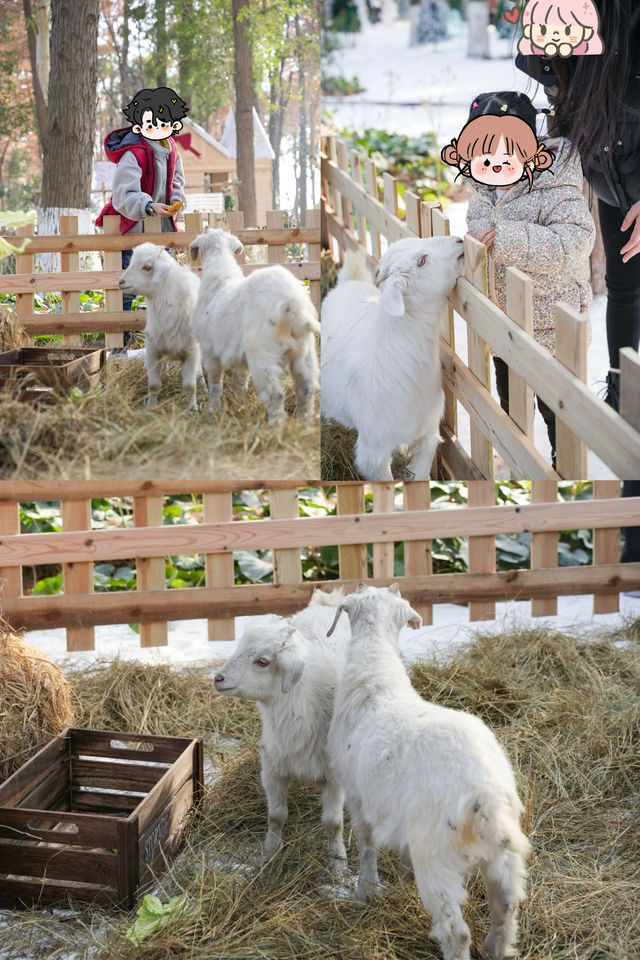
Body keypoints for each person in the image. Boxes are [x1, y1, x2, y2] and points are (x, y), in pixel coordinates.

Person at [441, 91, 595, 468]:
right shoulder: (484, 192)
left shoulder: (556, 188)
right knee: (510, 402)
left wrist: (507, 237)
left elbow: (575, 242)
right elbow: (481, 235)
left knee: (555, 407)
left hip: (551, 324)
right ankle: (518, 460)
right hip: (504, 322)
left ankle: (565, 466)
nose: (494, 165)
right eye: (483, 155)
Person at [516, 0, 640, 411]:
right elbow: (536, 63)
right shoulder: (575, 12)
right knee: (623, 292)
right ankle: (625, 399)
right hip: (614, 186)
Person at [96, 86, 188, 352]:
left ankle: (167, 340)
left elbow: (177, 180)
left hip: (158, 231)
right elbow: (123, 194)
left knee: (166, 284)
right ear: (138, 125)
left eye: (163, 122)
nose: (156, 127)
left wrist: (176, 203)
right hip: (129, 229)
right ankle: (119, 347)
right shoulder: (133, 153)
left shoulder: (171, 147)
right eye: (150, 122)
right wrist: (147, 205)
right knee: (126, 286)